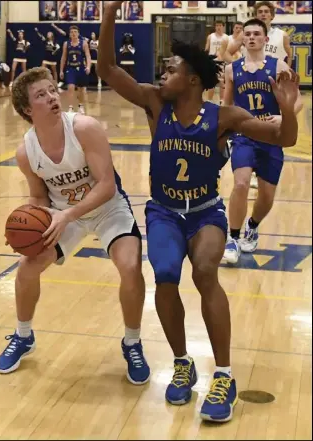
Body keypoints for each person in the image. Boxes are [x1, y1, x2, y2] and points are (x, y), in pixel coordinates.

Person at [98, 1, 299, 423]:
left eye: (169, 69)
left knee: (206, 272)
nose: (161, 75)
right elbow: (108, 70)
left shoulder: (224, 116)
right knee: (167, 277)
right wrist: (110, 13)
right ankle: (182, 362)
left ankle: (223, 375)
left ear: (191, 79)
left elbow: (284, 138)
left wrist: (286, 105)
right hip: (165, 212)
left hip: (206, 210)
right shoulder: (155, 104)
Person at [0, 67, 150, 387]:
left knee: (131, 266)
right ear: (27, 108)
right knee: (26, 269)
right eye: (41, 94)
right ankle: (24, 336)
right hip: (63, 215)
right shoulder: (26, 152)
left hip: (107, 208)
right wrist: (30, 227)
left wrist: (66, 216)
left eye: (53, 90)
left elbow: (107, 186)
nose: (52, 97)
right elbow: (39, 196)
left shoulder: (84, 128)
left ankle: (132, 343)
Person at [223, 19, 302, 264]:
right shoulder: (231, 70)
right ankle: (233, 238)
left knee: (266, 197)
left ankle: (253, 225)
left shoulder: (278, 66)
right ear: (242, 39)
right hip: (243, 136)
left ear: (266, 40)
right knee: (241, 184)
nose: (252, 37)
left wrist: (283, 115)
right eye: (248, 34)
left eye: (257, 33)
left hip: (271, 137)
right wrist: (221, 133)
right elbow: (226, 105)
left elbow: (297, 100)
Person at [225, 0, 293, 189]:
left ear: (272, 15)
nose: (263, 14)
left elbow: (289, 55)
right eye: (259, 11)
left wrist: (287, 73)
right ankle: (248, 168)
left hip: (272, 77)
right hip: (248, 76)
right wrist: (240, 67)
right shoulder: (248, 32)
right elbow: (228, 52)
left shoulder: (281, 36)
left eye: (266, 11)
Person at [60, 25, 91, 114]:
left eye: (75, 32)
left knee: (81, 89)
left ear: (78, 33)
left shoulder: (84, 43)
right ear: (69, 34)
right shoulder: (66, 44)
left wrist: (88, 66)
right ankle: (70, 107)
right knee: (70, 87)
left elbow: (88, 56)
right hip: (70, 68)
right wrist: (61, 70)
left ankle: (81, 105)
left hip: (81, 68)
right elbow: (63, 57)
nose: (73, 34)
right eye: (72, 32)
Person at [204, 20, 228, 104]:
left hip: (222, 61)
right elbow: (206, 49)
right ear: (215, 27)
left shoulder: (226, 37)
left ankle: (222, 100)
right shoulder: (210, 36)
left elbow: (228, 50)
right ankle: (209, 101)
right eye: (217, 25)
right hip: (212, 61)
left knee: (222, 82)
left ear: (223, 27)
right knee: (212, 82)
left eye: (220, 25)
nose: (218, 27)